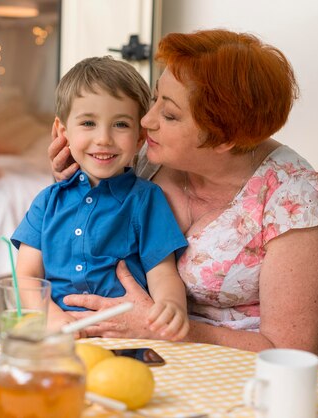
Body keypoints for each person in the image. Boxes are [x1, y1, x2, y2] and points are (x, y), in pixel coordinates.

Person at [48, 30, 318, 369]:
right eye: (155, 97)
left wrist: (161, 329)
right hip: (143, 358)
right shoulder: (144, 155)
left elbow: (290, 353)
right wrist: (74, 177)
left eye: (169, 114)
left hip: (245, 379)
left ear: (223, 138)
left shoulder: (294, 200)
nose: (146, 121)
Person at [11, 56, 190, 340]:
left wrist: (171, 306)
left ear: (140, 137)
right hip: (58, 339)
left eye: (120, 124)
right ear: (62, 131)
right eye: (88, 123)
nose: (104, 138)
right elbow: (27, 277)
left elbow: (163, 272)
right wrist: (54, 319)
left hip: (124, 337)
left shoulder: (146, 200)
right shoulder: (47, 202)